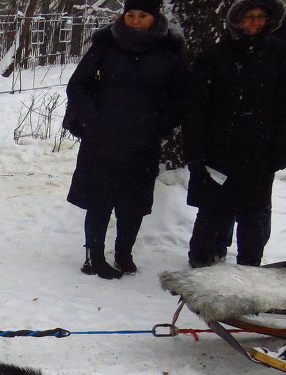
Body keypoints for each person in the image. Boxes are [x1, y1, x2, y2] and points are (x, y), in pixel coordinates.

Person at [64, 0, 189, 279]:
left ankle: (124, 253)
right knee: (99, 199)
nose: (134, 20)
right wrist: (93, 118)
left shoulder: (169, 50)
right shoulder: (106, 44)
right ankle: (93, 256)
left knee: (133, 202)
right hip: (102, 138)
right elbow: (78, 85)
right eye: (130, 14)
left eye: (141, 15)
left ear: (153, 17)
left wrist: (159, 125)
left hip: (142, 140)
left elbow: (181, 96)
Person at [183, 0, 286, 268]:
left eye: (260, 17)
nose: (254, 23)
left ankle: (249, 269)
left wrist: (279, 150)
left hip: (260, 152)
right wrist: (195, 152)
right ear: (237, 21)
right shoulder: (216, 56)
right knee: (213, 212)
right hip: (219, 151)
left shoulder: (279, 55)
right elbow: (196, 109)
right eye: (248, 17)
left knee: (254, 215)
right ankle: (204, 263)